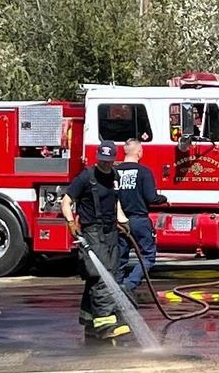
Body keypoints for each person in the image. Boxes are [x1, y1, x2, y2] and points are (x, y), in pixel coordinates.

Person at [61, 139, 129, 340]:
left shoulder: (115, 176)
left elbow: (115, 201)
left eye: (108, 160)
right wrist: (71, 222)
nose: (105, 163)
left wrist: (122, 220)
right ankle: (105, 324)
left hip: (111, 232)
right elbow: (66, 201)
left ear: (114, 159)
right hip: (92, 232)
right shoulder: (85, 177)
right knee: (100, 277)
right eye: (102, 159)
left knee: (110, 274)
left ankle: (89, 321)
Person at [116, 139, 167, 296]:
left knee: (120, 258)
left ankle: (116, 289)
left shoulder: (114, 172)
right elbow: (151, 197)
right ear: (139, 152)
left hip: (119, 221)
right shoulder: (144, 172)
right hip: (139, 220)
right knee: (148, 255)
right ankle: (129, 285)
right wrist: (164, 199)